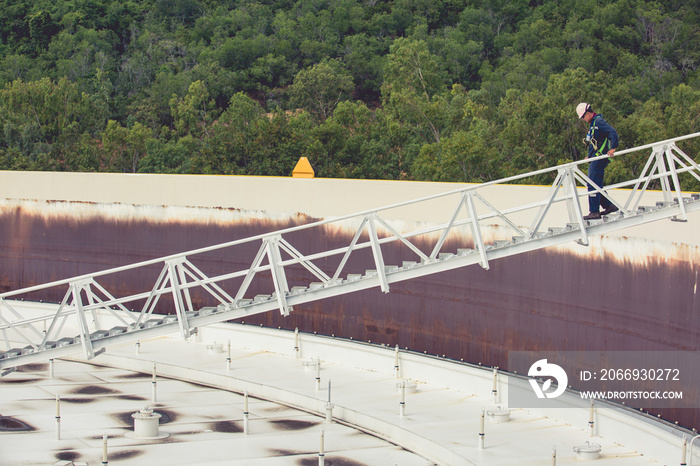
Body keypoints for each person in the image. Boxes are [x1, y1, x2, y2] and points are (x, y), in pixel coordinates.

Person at [575, 102, 619, 220]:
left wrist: (613, 148)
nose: (583, 119)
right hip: (595, 157)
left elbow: (612, 132)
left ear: (588, 113)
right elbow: (596, 143)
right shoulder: (594, 123)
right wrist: (589, 156)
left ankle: (594, 211)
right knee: (595, 184)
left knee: (592, 184)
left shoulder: (598, 122)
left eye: (583, 117)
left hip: (599, 159)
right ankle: (609, 205)